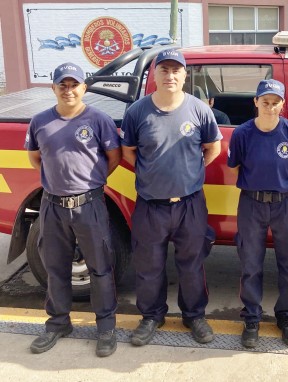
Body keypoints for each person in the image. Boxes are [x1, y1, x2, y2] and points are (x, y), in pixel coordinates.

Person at [121, 49, 222, 346]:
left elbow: (212, 147)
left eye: (176, 70)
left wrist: (191, 172)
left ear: (185, 75)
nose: (170, 75)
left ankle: (194, 315)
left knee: (192, 263)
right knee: (148, 265)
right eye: (164, 70)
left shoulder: (199, 109)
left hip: (190, 204)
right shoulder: (137, 112)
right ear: (154, 74)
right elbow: (128, 152)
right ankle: (151, 316)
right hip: (151, 205)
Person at [26, 62, 121, 357]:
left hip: (89, 205)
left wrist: (89, 184)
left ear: (84, 88)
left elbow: (113, 157)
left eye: (74, 85)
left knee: (101, 269)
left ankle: (106, 327)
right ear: (53, 88)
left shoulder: (99, 120)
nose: (69, 90)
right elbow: (34, 157)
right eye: (62, 85)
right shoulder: (40, 121)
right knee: (55, 269)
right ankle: (57, 324)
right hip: (52, 206)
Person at [227, 79, 288, 348]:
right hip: (251, 204)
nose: (270, 107)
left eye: (276, 103)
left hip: (286, 204)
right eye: (265, 101)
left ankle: (286, 317)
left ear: (282, 104)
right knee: (250, 263)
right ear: (256, 101)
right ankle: (251, 318)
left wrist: (281, 186)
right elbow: (234, 167)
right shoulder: (242, 133)